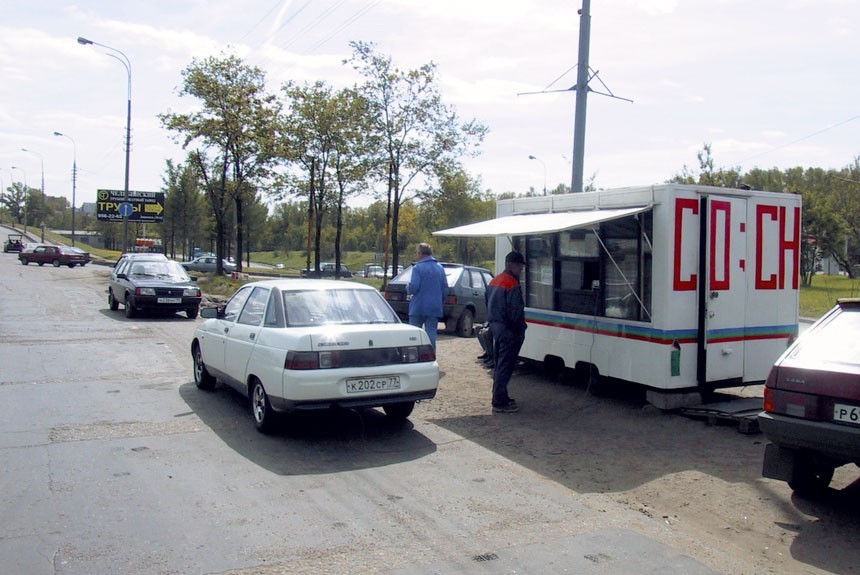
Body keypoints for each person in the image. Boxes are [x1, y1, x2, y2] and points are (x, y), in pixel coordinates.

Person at [487, 251, 527, 413]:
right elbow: (515, 311)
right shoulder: (512, 283)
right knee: (506, 366)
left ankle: (501, 396)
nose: (521, 270)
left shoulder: (494, 281)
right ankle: (499, 401)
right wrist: (520, 329)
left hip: (496, 328)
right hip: (509, 330)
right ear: (512, 265)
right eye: (520, 267)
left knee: (499, 365)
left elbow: (487, 303)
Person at [407, 242, 448, 350]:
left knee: (414, 334)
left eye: (417, 252)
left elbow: (413, 287)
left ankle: (415, 355)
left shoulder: (418, 268)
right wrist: (439, 300)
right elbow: (445, 289)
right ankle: (430, 355)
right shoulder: (440, 268)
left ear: (420, 253)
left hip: (418, 306)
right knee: (431, 333)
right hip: (434, 306)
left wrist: (408, 288)